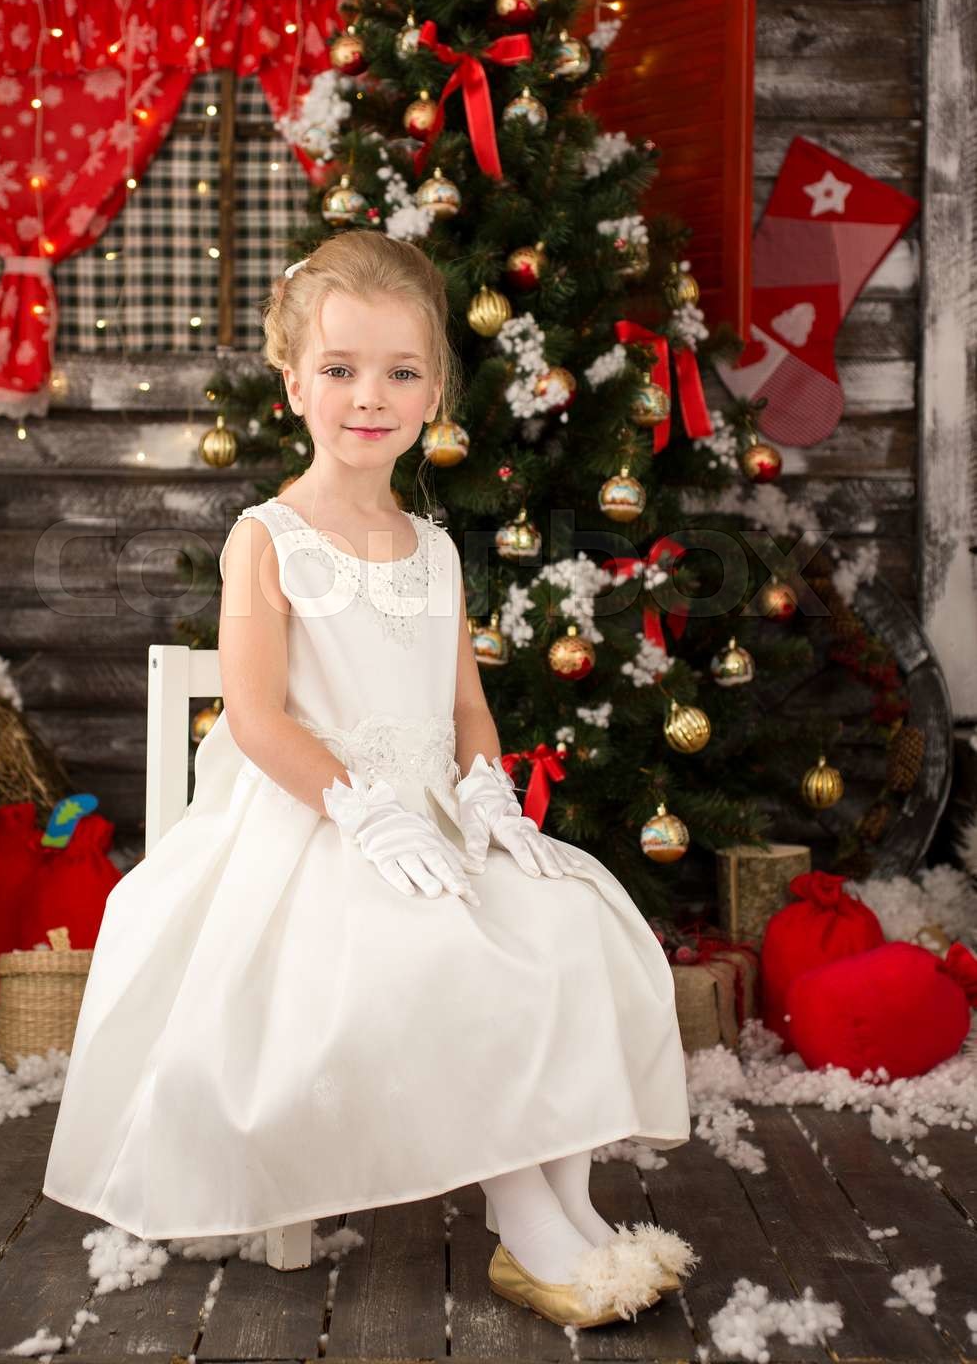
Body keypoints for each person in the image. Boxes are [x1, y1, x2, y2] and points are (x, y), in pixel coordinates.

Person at [41, 229, 695, 1330]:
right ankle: (523, 1224)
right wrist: (360, 806)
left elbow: (464, 712)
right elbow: (252, 716)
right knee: (437, 946)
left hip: (432, 806)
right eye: (339, 370)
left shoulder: (431, 546)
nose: (367, 396)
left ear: (433, 388)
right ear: (293, 380)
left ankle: (566, 1207)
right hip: (314, 821)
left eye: (398, 372)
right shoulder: (268, 537)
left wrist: (484, 796)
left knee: (568, 914)